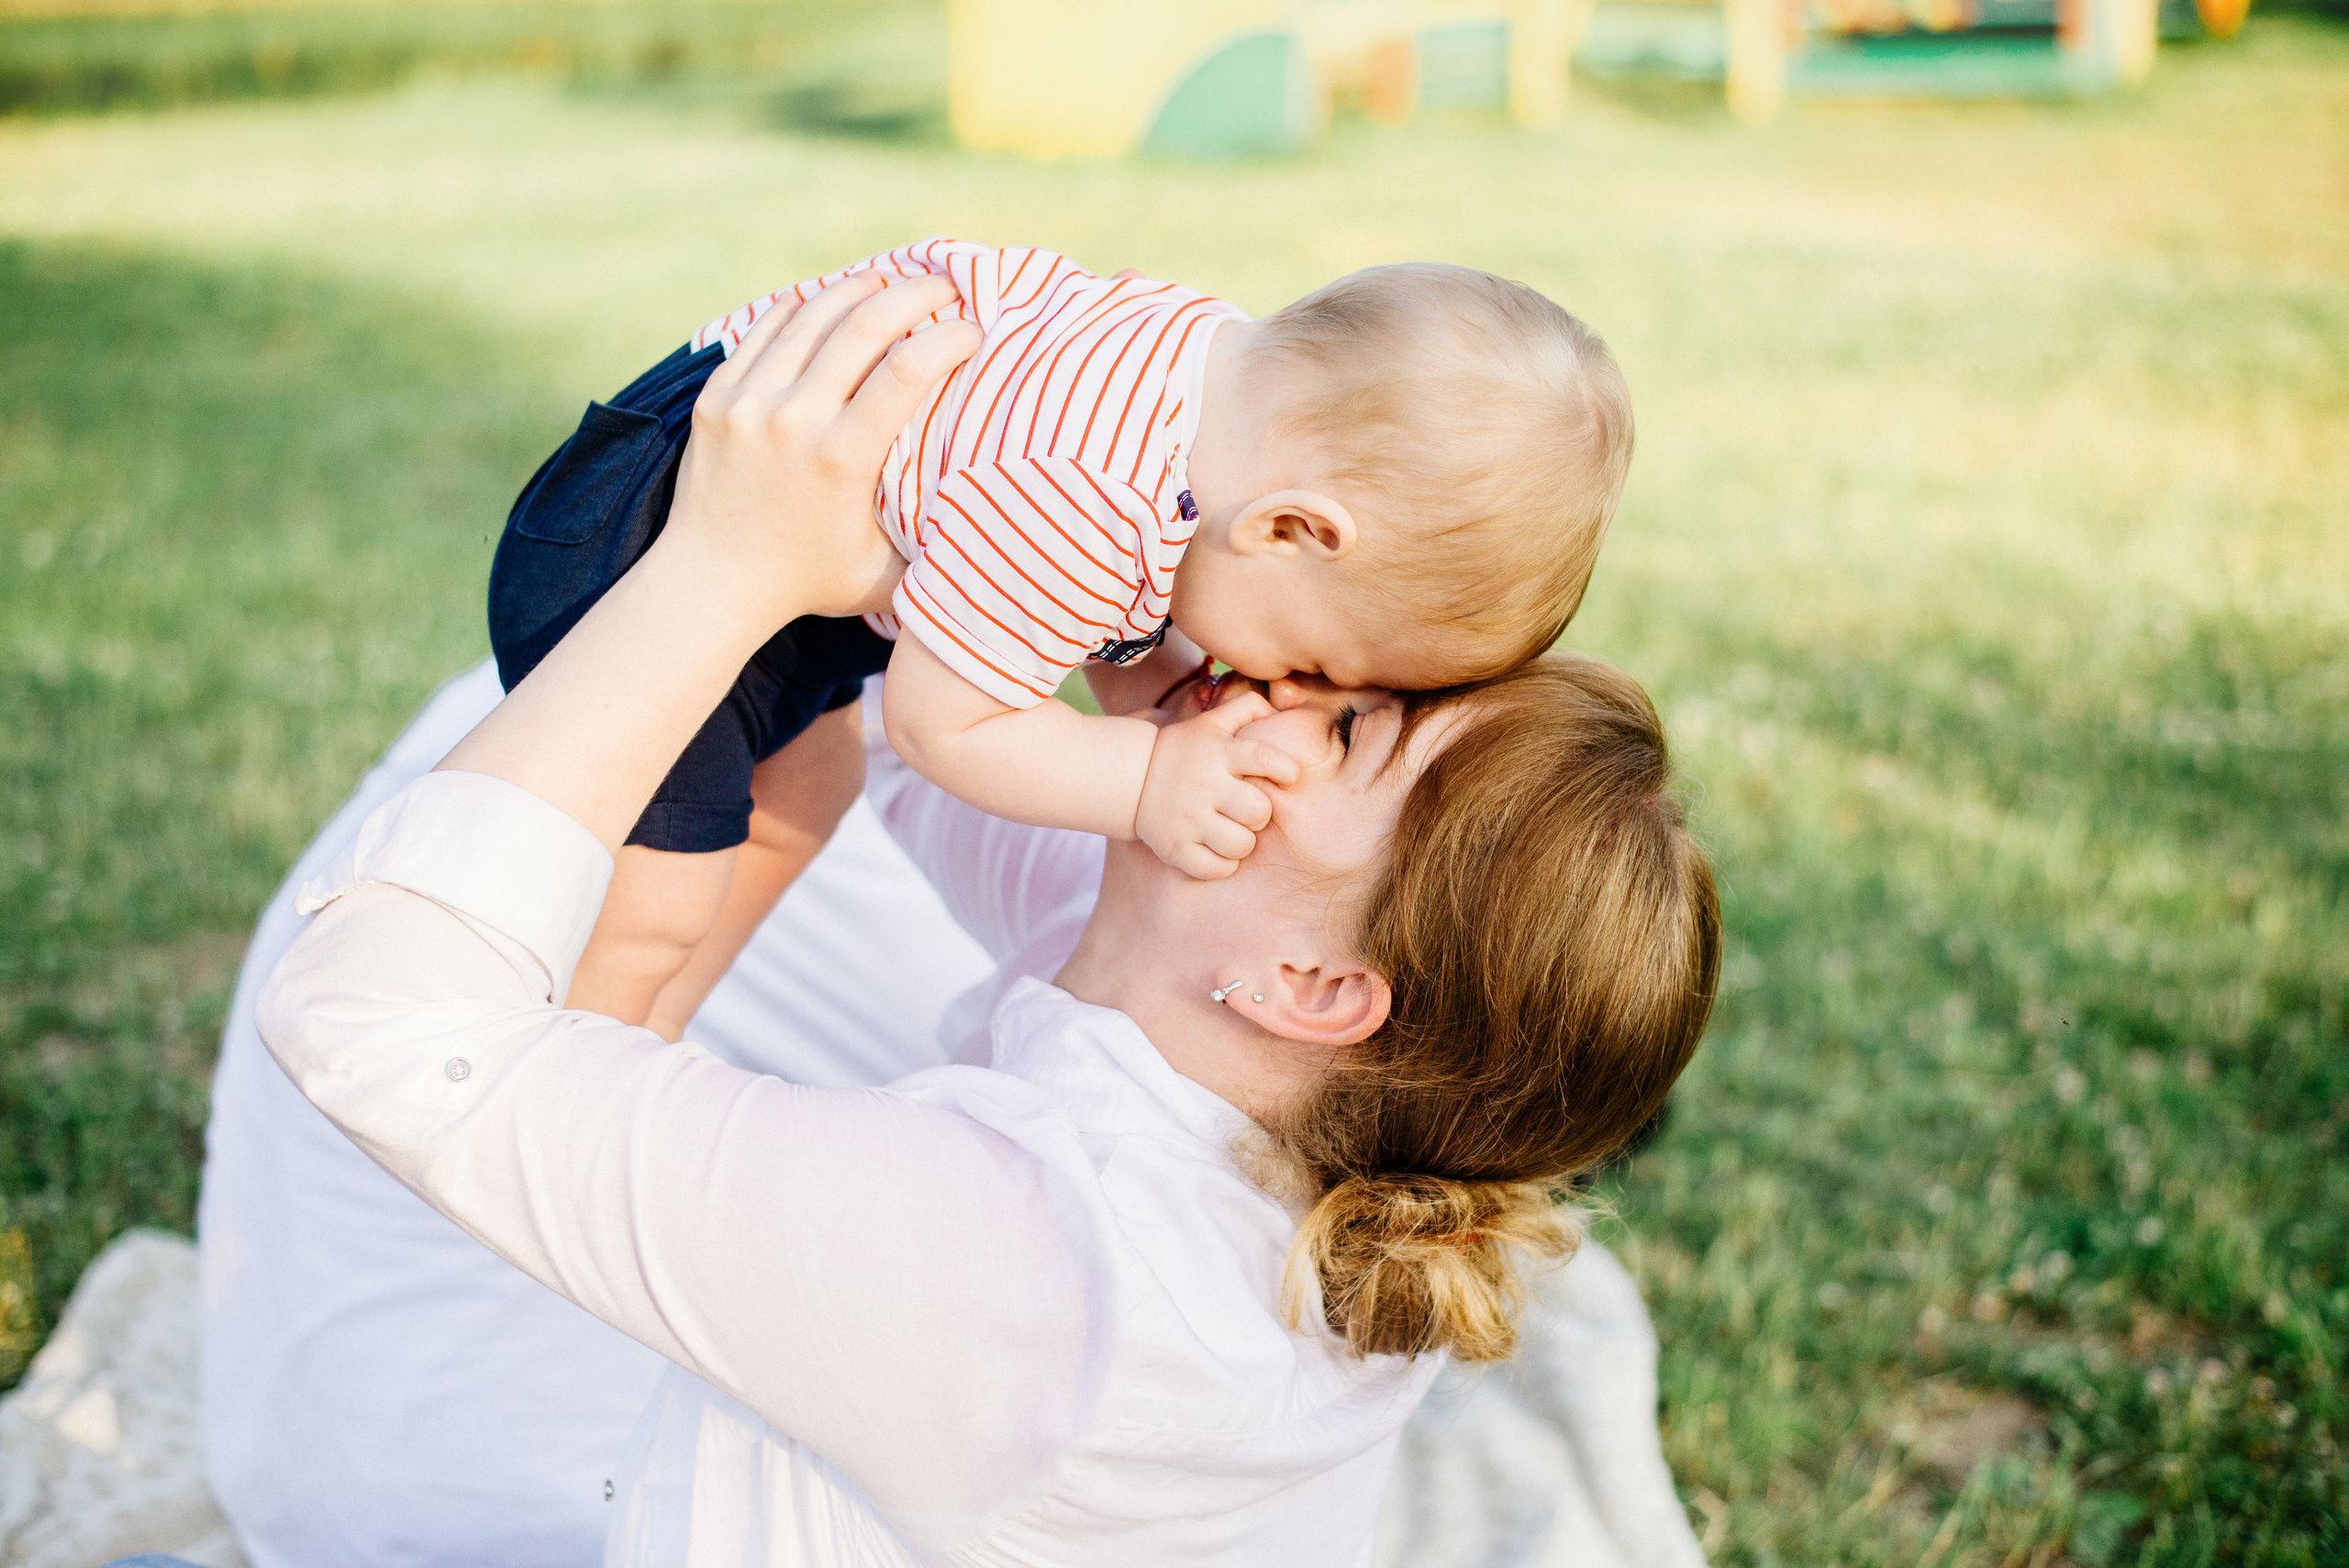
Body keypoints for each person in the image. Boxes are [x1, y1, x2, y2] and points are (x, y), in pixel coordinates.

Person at [246, 275, 1711, 1564]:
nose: (1270, 691)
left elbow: (370, 1028)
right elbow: (924, 742)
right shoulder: (1272, 1090)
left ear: (1314, 984)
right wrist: (980, 539)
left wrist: (719, 565)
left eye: (1343, 729)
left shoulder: (1020, 1263)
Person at [490, 240, 1634, 1039]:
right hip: (649, 539)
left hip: (748, 515)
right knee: (658, 898)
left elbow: (1091, 601)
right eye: (1316, 664)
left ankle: (646, 1028)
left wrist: (1161, 695)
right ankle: (555, 1076)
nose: (1274, 685)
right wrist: (1146, 778)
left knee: (810, 780)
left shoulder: (1196, 384)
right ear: (1289, 529)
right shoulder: (1090, 503)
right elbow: (942, 723)